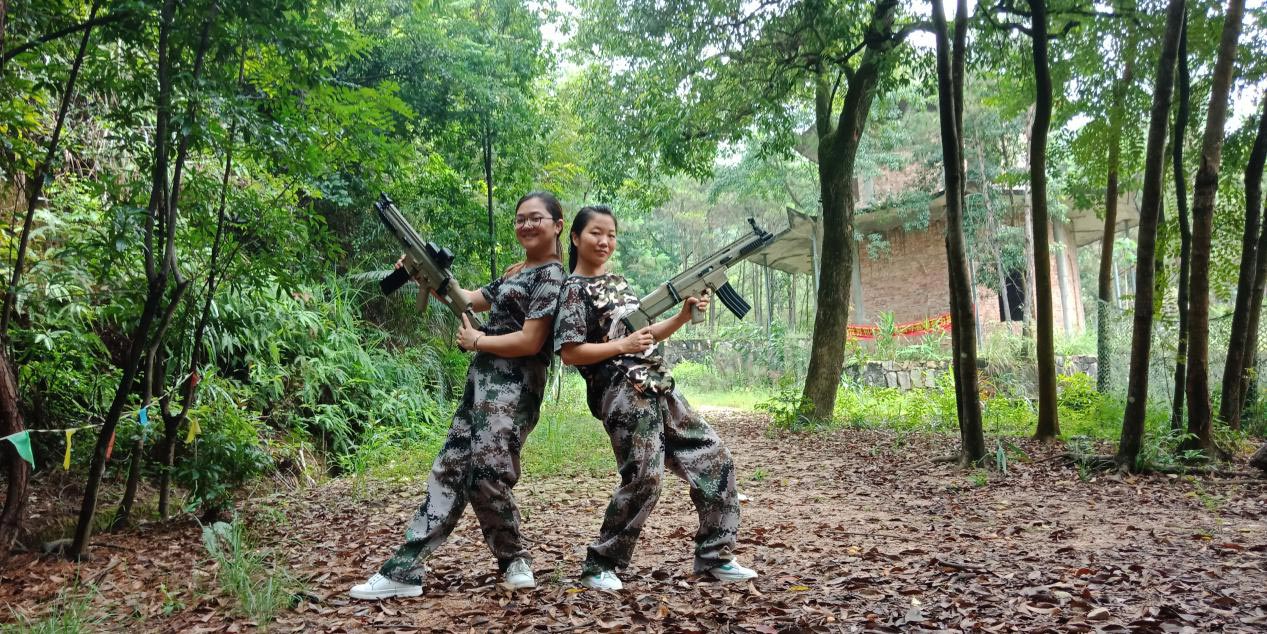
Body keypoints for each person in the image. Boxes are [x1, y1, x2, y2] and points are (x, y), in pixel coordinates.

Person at [350, 192, 566, 599]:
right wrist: (428, 277)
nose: (526, 225)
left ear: (557, 225)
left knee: (487, 470)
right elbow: (468, 299)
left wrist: (479, 340)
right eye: (520, 219)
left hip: (516, 386)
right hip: (482, 383)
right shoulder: (514, 271)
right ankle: (404, 570)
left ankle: (514, 558)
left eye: (536, 218)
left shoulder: (553, 278)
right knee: (450, 467)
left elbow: (531, 340)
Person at [553, 205, 758, 591]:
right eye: (596, 233)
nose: (605, 241)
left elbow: (646, 333)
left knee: (715, 458)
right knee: (645, 477)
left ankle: (715, 557)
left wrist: (681, 317)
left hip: (659, 384)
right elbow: (570, 352)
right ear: (576, 238)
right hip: (621, 391)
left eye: (611, 234)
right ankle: (600, 564)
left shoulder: (619, 282)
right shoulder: (572, 291)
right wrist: (621, 345)